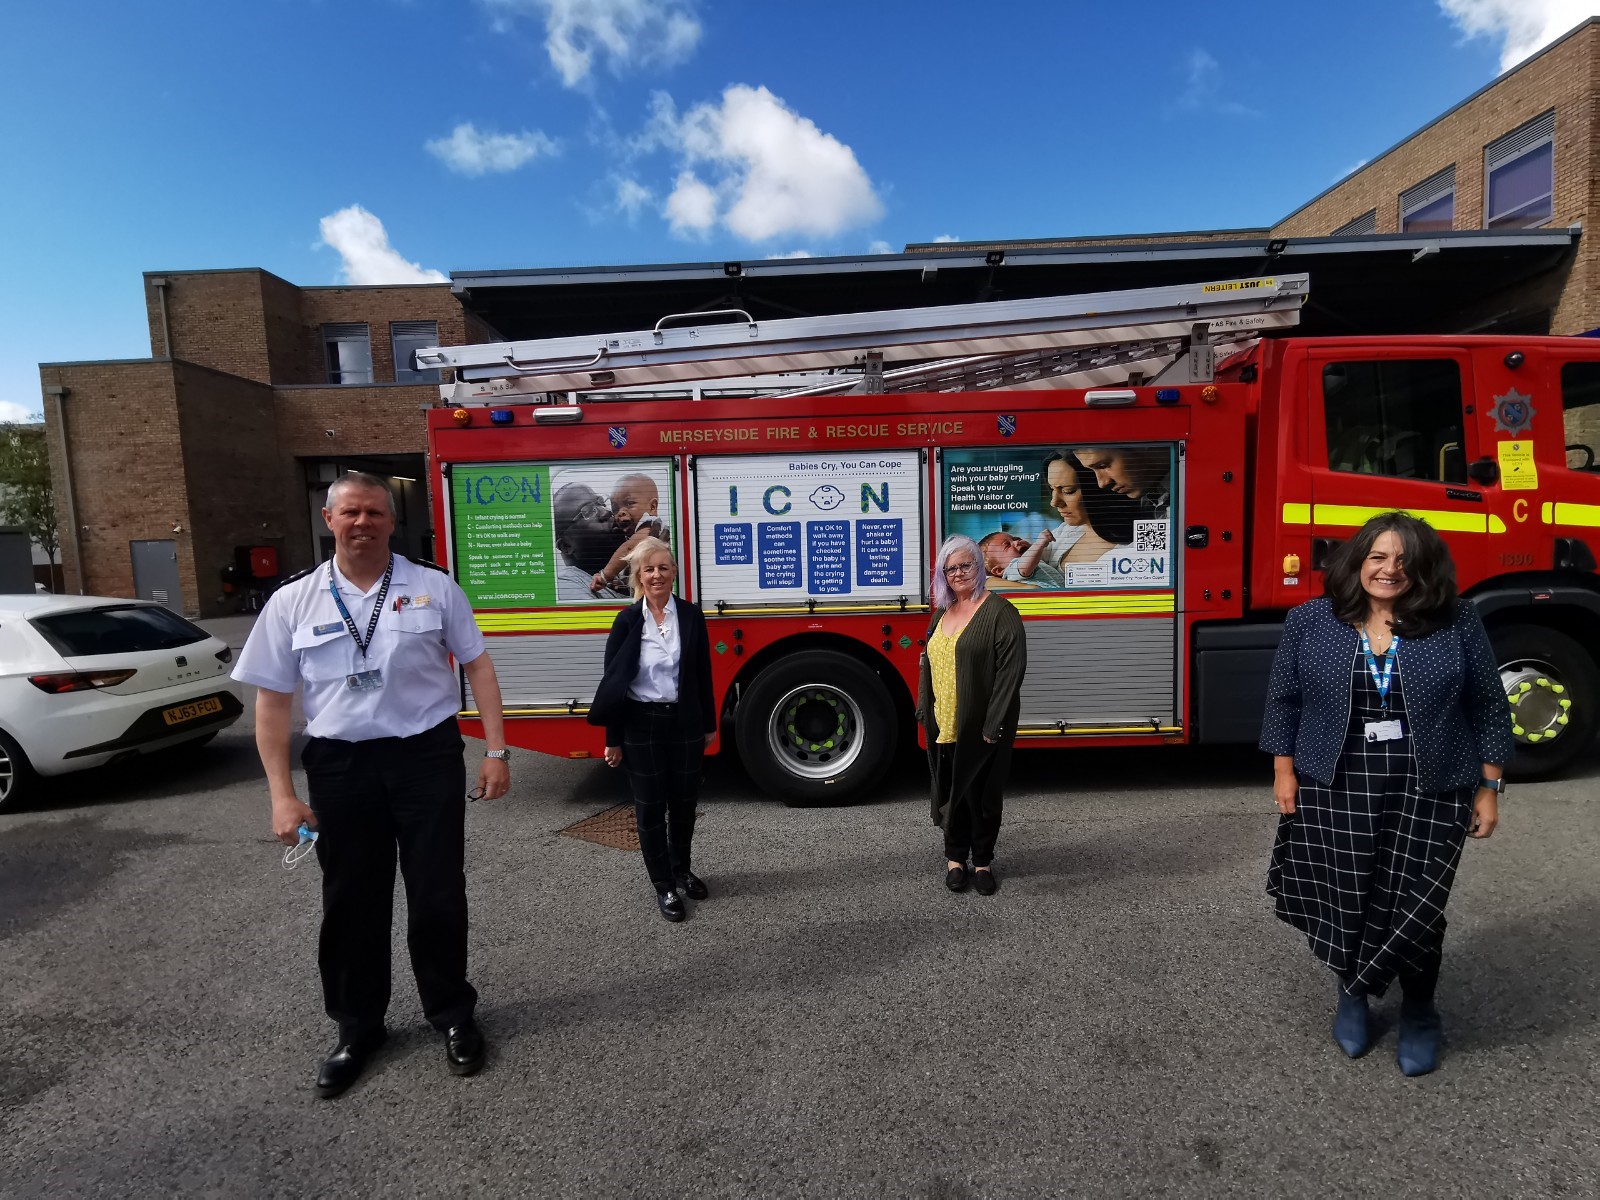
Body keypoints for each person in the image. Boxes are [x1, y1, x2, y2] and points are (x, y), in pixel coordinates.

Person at [234, 472, 511, 1099]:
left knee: (438, 893)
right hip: (340, 766)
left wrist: (495, 750)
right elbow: (273, 706)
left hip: (426, 758)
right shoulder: (293, 602)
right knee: (352, 902)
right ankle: (358, 1029)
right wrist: (282, 793)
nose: (363, 523)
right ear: (329, 519)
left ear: (392, 521)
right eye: (351, 512)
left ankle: (452, 1015)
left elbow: (479, 665)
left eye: (375, 513)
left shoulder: (434, 587)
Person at [1260, 511, 1512, 1077]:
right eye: (1377, 557)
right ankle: (1353, 992)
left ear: (1422, 568)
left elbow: (1488, 705)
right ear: (1357, 562)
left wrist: (1490, 787)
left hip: (1433, 781)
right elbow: (1286, 701)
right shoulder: (1311, 620)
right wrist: (1284, 771)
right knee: (1348, 890)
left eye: (1403, 559)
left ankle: (1420, 1010)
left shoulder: (1456, 621)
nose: (1389, 569)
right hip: (1338, 779)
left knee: (1419, 902)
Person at [589, 537, 717, 923]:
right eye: (649, 569)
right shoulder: (628, 621)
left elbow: (702, 674)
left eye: (663, 567)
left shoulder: (691, 616)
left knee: (684, 804)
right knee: (649, 809)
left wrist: (709, 724)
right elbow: (612, 682)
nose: (657, 575)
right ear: (638, 577)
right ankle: (663, 885)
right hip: (640, 724)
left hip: (684, 723)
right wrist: (613, 738)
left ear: (674, 572)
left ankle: (682, 869)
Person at [915, 534, 1027, 896]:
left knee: (981, 796)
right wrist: (923, 708)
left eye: (966, 565)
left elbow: (1011, 672)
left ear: (979, 568)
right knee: (951, 790)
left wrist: (993, 724)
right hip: (944, 724)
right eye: (951, 568)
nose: (959, 572)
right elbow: (927, 664)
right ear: (943, 575)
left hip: (982, 727)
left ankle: (982, 862)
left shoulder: (1000, 612)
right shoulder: (941, 613)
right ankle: (954, 859)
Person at [1042, 451, 1135, 567]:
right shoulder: (1060, 534)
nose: (1054, 502)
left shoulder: (1135, 546)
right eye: (1052, 489)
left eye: (1068, 491)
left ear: (1097, 488)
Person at [591, 473, 670, 596]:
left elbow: (628, 548)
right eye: (615, 508)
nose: (621, 512)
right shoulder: (634, 534)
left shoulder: (650, 524)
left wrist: (605, 575)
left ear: (652, 507)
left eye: (629, 503)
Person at [552, 482, 626, 602]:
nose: (606, 512)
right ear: (566, 545)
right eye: (589, 511)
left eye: (601, 503)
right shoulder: (566, 583)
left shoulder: (620, 578)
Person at [1071, 444, 1171, 521]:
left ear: (1143, 445)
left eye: (1103, 465)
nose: (1101, 483)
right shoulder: (1150, 500)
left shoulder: (1181, 497)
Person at [979, 529, 1064, 589]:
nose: (1017, 542)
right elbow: (1023, 567)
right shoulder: (1010, 570)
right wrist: (1039, 544)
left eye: (1015, 538)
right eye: (1007, 545)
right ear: (1000, 570)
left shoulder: (1037, 562)